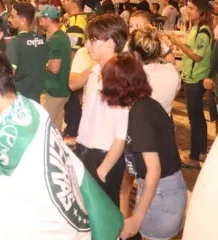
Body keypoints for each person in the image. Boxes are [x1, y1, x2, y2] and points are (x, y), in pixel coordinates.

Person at [0, 49, 123, 239]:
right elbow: (8, 167)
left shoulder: (6, 135)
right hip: (74, 223)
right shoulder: (30, 108)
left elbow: (19, 209)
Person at [96, 55, 187, 240]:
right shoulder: (144, 106)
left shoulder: (141, 114)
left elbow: (154, 169)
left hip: (161, 192)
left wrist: (137, 217)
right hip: (161, 190)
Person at [70, 15, 130, 208]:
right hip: (88, 152)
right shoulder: (97, 70)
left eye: (93, 40)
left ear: (110, 42)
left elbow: (122, 134)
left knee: (102, 217)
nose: (87, 45)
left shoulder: (119, 77)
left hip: (104, 157)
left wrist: (103, 170)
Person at [161, 0, 213, 169]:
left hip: (196, 79)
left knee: (195, 119)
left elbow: (196, 56)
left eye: (192, 8)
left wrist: (177, 44)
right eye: (188, 7)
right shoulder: (196, 28)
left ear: (201, 12)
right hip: (191, 78)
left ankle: (194, 157)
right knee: (197, 119)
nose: (188, 10)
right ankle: (200, 152)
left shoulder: (204, 32)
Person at [129, 26, 180, 116]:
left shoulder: (134, 77)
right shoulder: (173, 70)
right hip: (165, 124)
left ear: (136, 55)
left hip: (142, 126)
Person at [5, 2, 48, 103]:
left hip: (19, 98)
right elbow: (45, 67)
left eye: (12, 16)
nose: (9, 19)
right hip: (36, 98)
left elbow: (9, 73)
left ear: (22, 21)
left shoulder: (15, 42)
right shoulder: (42, 40)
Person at [39, 5, 72, 129]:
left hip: (54, 90)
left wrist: (42, 64)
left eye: (41, 19)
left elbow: (54, 67)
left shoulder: (56, 39)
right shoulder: (63, 36)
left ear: (47, 19)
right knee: (56, 128)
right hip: (63, 89)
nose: (40, 22)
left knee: (45, 127)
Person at [61, 0, 88, 141]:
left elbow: (73, 50)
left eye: (67, 0)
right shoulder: (78, 19)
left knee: (73, 102)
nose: (64, 2)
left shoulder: (76, 23)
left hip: (74, 69)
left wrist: (69, 73)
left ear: (75, 4)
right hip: (78, 69)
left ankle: (72, 129)